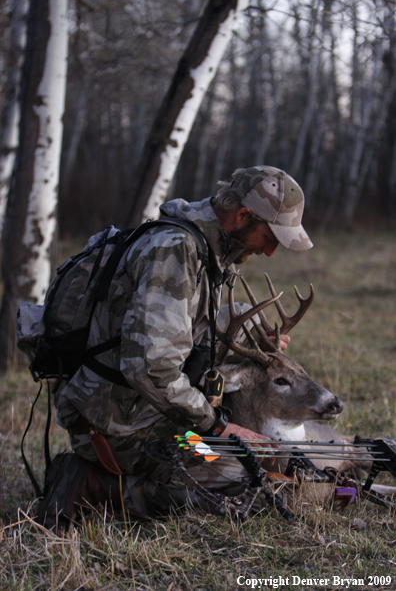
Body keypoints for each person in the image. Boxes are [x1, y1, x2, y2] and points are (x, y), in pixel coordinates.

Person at [38, 165, 313, 527]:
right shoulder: (175, 253)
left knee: (251, 460)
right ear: (243, 215)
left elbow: (185, 335)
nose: (270, 251)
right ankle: (92, 488)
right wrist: (215, 425)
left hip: (143, 412)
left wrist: (250, 340)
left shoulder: (206, 250)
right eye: (270, 237)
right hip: (118, 425)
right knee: (238, 472)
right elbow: (151, 368)